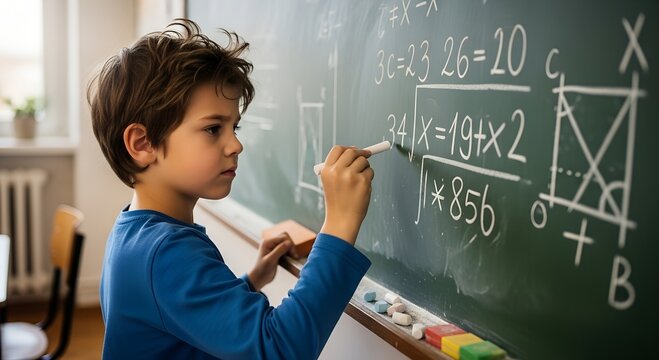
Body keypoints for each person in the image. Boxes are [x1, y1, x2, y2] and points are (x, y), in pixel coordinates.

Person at [87, 19, 375, 359]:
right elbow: (281, 351)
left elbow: (178, 321)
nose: (235, 144)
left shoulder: (136, 232)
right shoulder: (166, 251)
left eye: (234, 127)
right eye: (213, 129)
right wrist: (339, 226)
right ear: (143, 142)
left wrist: (251, 281)